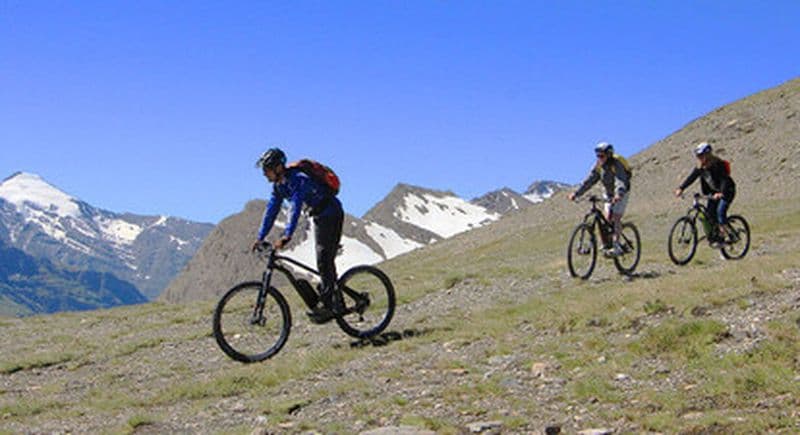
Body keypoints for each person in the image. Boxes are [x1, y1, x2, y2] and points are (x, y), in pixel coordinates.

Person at [252, 148, 344, 323]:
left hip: (331, 213)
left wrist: (287, 234)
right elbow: (271, 210)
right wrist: (260, 237)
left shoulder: (298, 180)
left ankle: (328, 305)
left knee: (324, 258)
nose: (265, 174)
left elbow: (295, 207)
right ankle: (332, 296)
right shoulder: (279, 186)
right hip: (319, 216)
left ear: (278, 167)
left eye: (267, 169)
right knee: (323, 259)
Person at [568, 142, 632, 256]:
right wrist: (576, 193)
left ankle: (617, 246)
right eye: (597, 156)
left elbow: (620, 180)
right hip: (608, 193)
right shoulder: (599, 166)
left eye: (601, 156)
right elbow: (590, 180)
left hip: (621, 193)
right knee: (607, 218)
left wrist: (618, 194)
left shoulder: (616, 164)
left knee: (616, 217)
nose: (599, 158)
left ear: (609, 154)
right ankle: (607, 244)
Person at [674, 142, 736, 246]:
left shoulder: (718, 164)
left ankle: (730, 235)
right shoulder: (701, 168)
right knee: (709, 214)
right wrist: (681, 188)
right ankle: (716, 238)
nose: (699, 158)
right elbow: (691, 178)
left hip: (727, 191)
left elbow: (724, 180)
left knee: (720, 213)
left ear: (708, 154)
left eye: (701, 155)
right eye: (698, 156)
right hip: (713, 193)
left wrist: (721, 192)